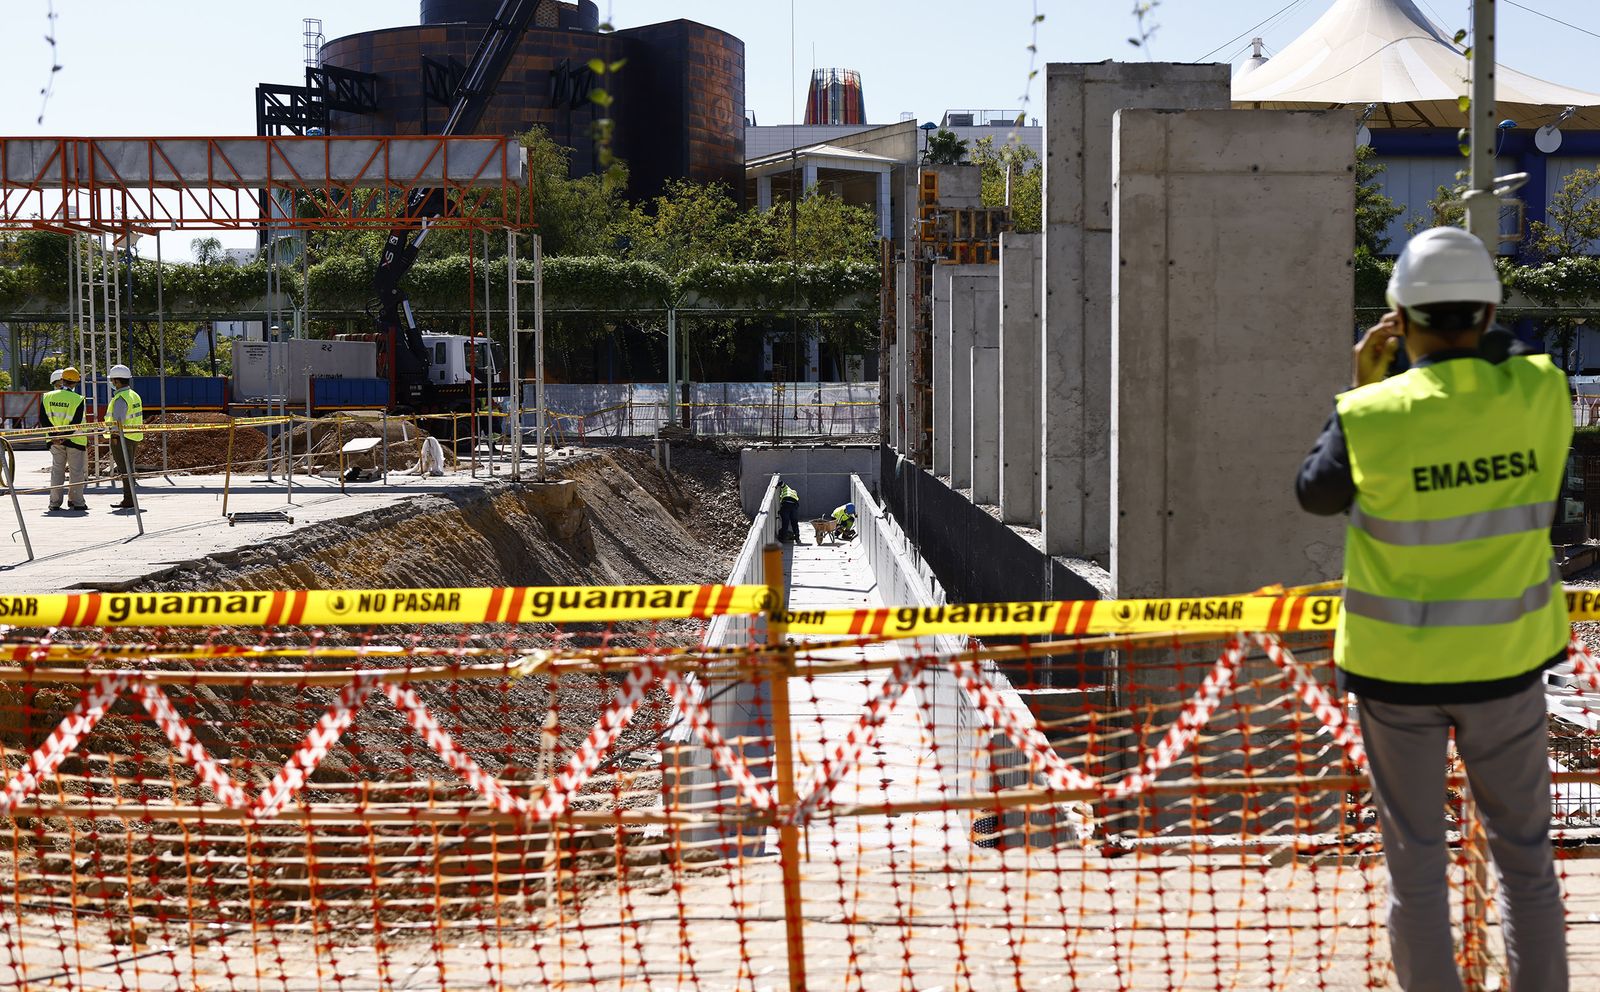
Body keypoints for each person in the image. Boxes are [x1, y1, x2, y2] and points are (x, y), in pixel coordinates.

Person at [1296, 227, 1569, 991]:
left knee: (1415, 862)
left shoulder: (1370, 414)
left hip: (1397, 677)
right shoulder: (1541, 390)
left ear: (1400, 319)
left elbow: (1316, 493)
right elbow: (1507, 350)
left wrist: (1362, 382)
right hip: (1507, 666)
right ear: (1488, 312)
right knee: (1526, 862)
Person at [40, 367, 88, 512]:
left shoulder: (47, 397)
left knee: (57, 470)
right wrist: (64, 436)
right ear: (76, 383)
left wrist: (55, 436)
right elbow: (76, 422)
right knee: (76, 471)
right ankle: (77, 502)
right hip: (75, 440)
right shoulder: (78, 399)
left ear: (62, 380)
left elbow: (43, 419)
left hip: (54, 441)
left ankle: (54, 503)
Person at [106, 364, 143, 510]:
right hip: (133, 436)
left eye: (112, 380)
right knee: (129, 468)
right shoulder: (134, 395)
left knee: (125, 470)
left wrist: (114, 436)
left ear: (117, 381)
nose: (111, 383)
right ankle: (130, 498)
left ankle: (129, 499)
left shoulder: (120, 398)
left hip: (122, 438)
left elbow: (117, 422)